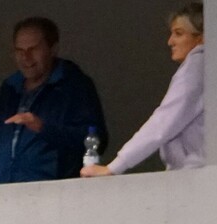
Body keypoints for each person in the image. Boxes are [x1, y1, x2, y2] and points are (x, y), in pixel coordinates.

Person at [0, 16, 109, 187]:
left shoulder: (73, 86)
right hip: (3, 194)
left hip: (54, 195)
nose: (26, 57)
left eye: (33, 49)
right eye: (19, 51)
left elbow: (96, 140)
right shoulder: (10, 88)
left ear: (53, 49)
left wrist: (43, 128)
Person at [86, 4, 203, 177]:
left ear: (202, 38)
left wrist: (115, 166)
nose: (170, 41)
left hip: (195, 176)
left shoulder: (197, 65)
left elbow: (163, 123)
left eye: (178, 33)